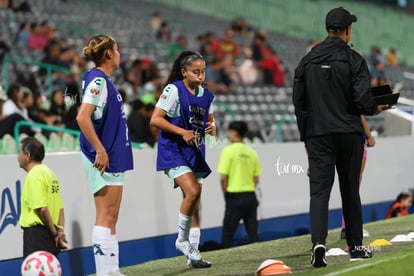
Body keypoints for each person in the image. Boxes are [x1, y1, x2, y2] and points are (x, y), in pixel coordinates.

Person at [292, 7, 389, 267]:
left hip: (318, 135)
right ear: (347, 30)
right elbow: (361, 100)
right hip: (348, 134)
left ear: (327, 29)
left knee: (319, 193)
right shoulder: (355, 59)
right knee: (350, 191)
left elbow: (299, 104)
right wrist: (375, 106)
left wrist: (306, 138)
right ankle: (356, 246)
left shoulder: (307, 61)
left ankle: (318, 244)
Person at [150, 50, 216, 269]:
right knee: (193, 192)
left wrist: (212, 127)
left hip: (195, 151)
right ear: (184, 72)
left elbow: (210, 120)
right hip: (173, 149)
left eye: (203, 72)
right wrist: (182, 132)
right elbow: (155, 119)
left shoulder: (206, 95)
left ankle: (193, 256)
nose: (200, 76)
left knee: (195, 204)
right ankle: (181, 240)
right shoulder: (174, 89)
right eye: (196, 72)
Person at [76, 34, 133, 276]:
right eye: (117, 49)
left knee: (112, 216)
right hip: (102, 155)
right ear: (109, 53)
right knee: (105, 215)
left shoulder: (102, 80)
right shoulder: (98, 81)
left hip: (111, 153)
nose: (120, 53)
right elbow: (82, 117)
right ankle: (104, 272)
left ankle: (112, 270)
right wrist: (99, 148)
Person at [18, 137, 68, 258]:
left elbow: (42, 209)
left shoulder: (34, 176)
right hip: (52, 235)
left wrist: (55, 234)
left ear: (27, 155)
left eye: (19, 152)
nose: (17, 157)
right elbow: (60, 208)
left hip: (37, 237)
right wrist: (59, 232)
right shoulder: (50, 174)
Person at [217, 121, 262, 248]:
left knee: (227, 235)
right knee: (253, 235)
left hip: (234, 197)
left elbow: (223, 178)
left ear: (233, 132)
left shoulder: (228, 151)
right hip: (250, 196)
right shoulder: (252, 152)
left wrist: (226, 194)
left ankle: (223, 265)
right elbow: (256, 179)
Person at [340, 115, 375, 240]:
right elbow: (360, 115)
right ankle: (349, 227)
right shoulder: (353, 96)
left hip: (339, 137)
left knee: (348, 184)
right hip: (356, 140)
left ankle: (347, 227)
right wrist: (370, 136)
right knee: (354, 184)